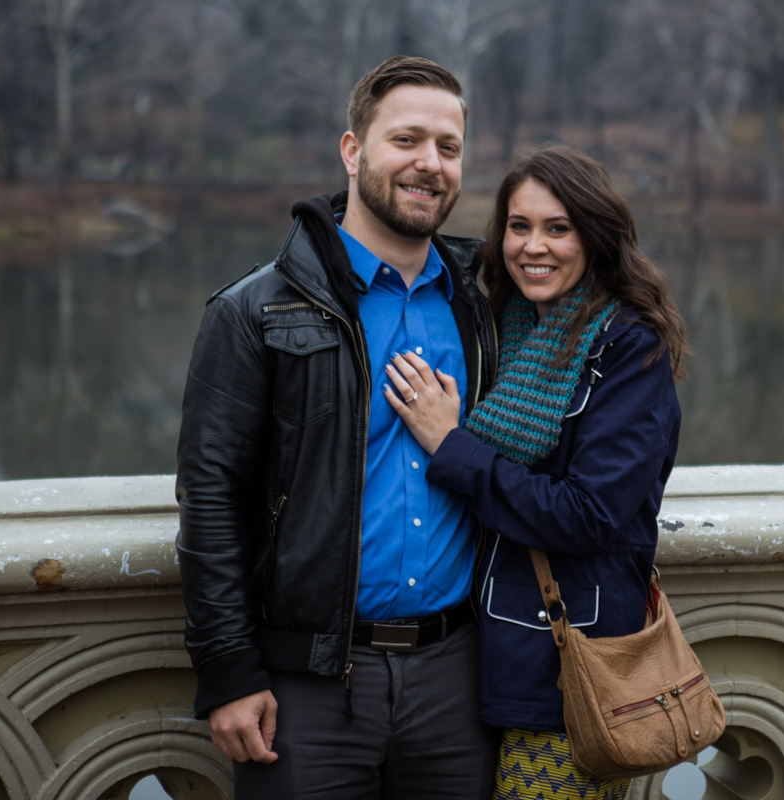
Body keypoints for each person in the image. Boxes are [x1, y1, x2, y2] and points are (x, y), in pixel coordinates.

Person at [175, 55, 499, 799]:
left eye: (448, 147)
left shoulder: (481, 309)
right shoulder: (256, 311)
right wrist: (228, 671)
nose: (430, 164)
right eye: (407, 140)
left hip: (460, 676)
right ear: (352, 152)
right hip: (309, 683)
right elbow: (212, 498)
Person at [384, 144, 690, 800]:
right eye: (519, 227)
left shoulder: (629, 349)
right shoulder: (506, 328)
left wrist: (451, 445)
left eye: (558, 228)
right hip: (479, 662)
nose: (534, 247)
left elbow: (587, 515)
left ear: (596, 239)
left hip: (567, 678)